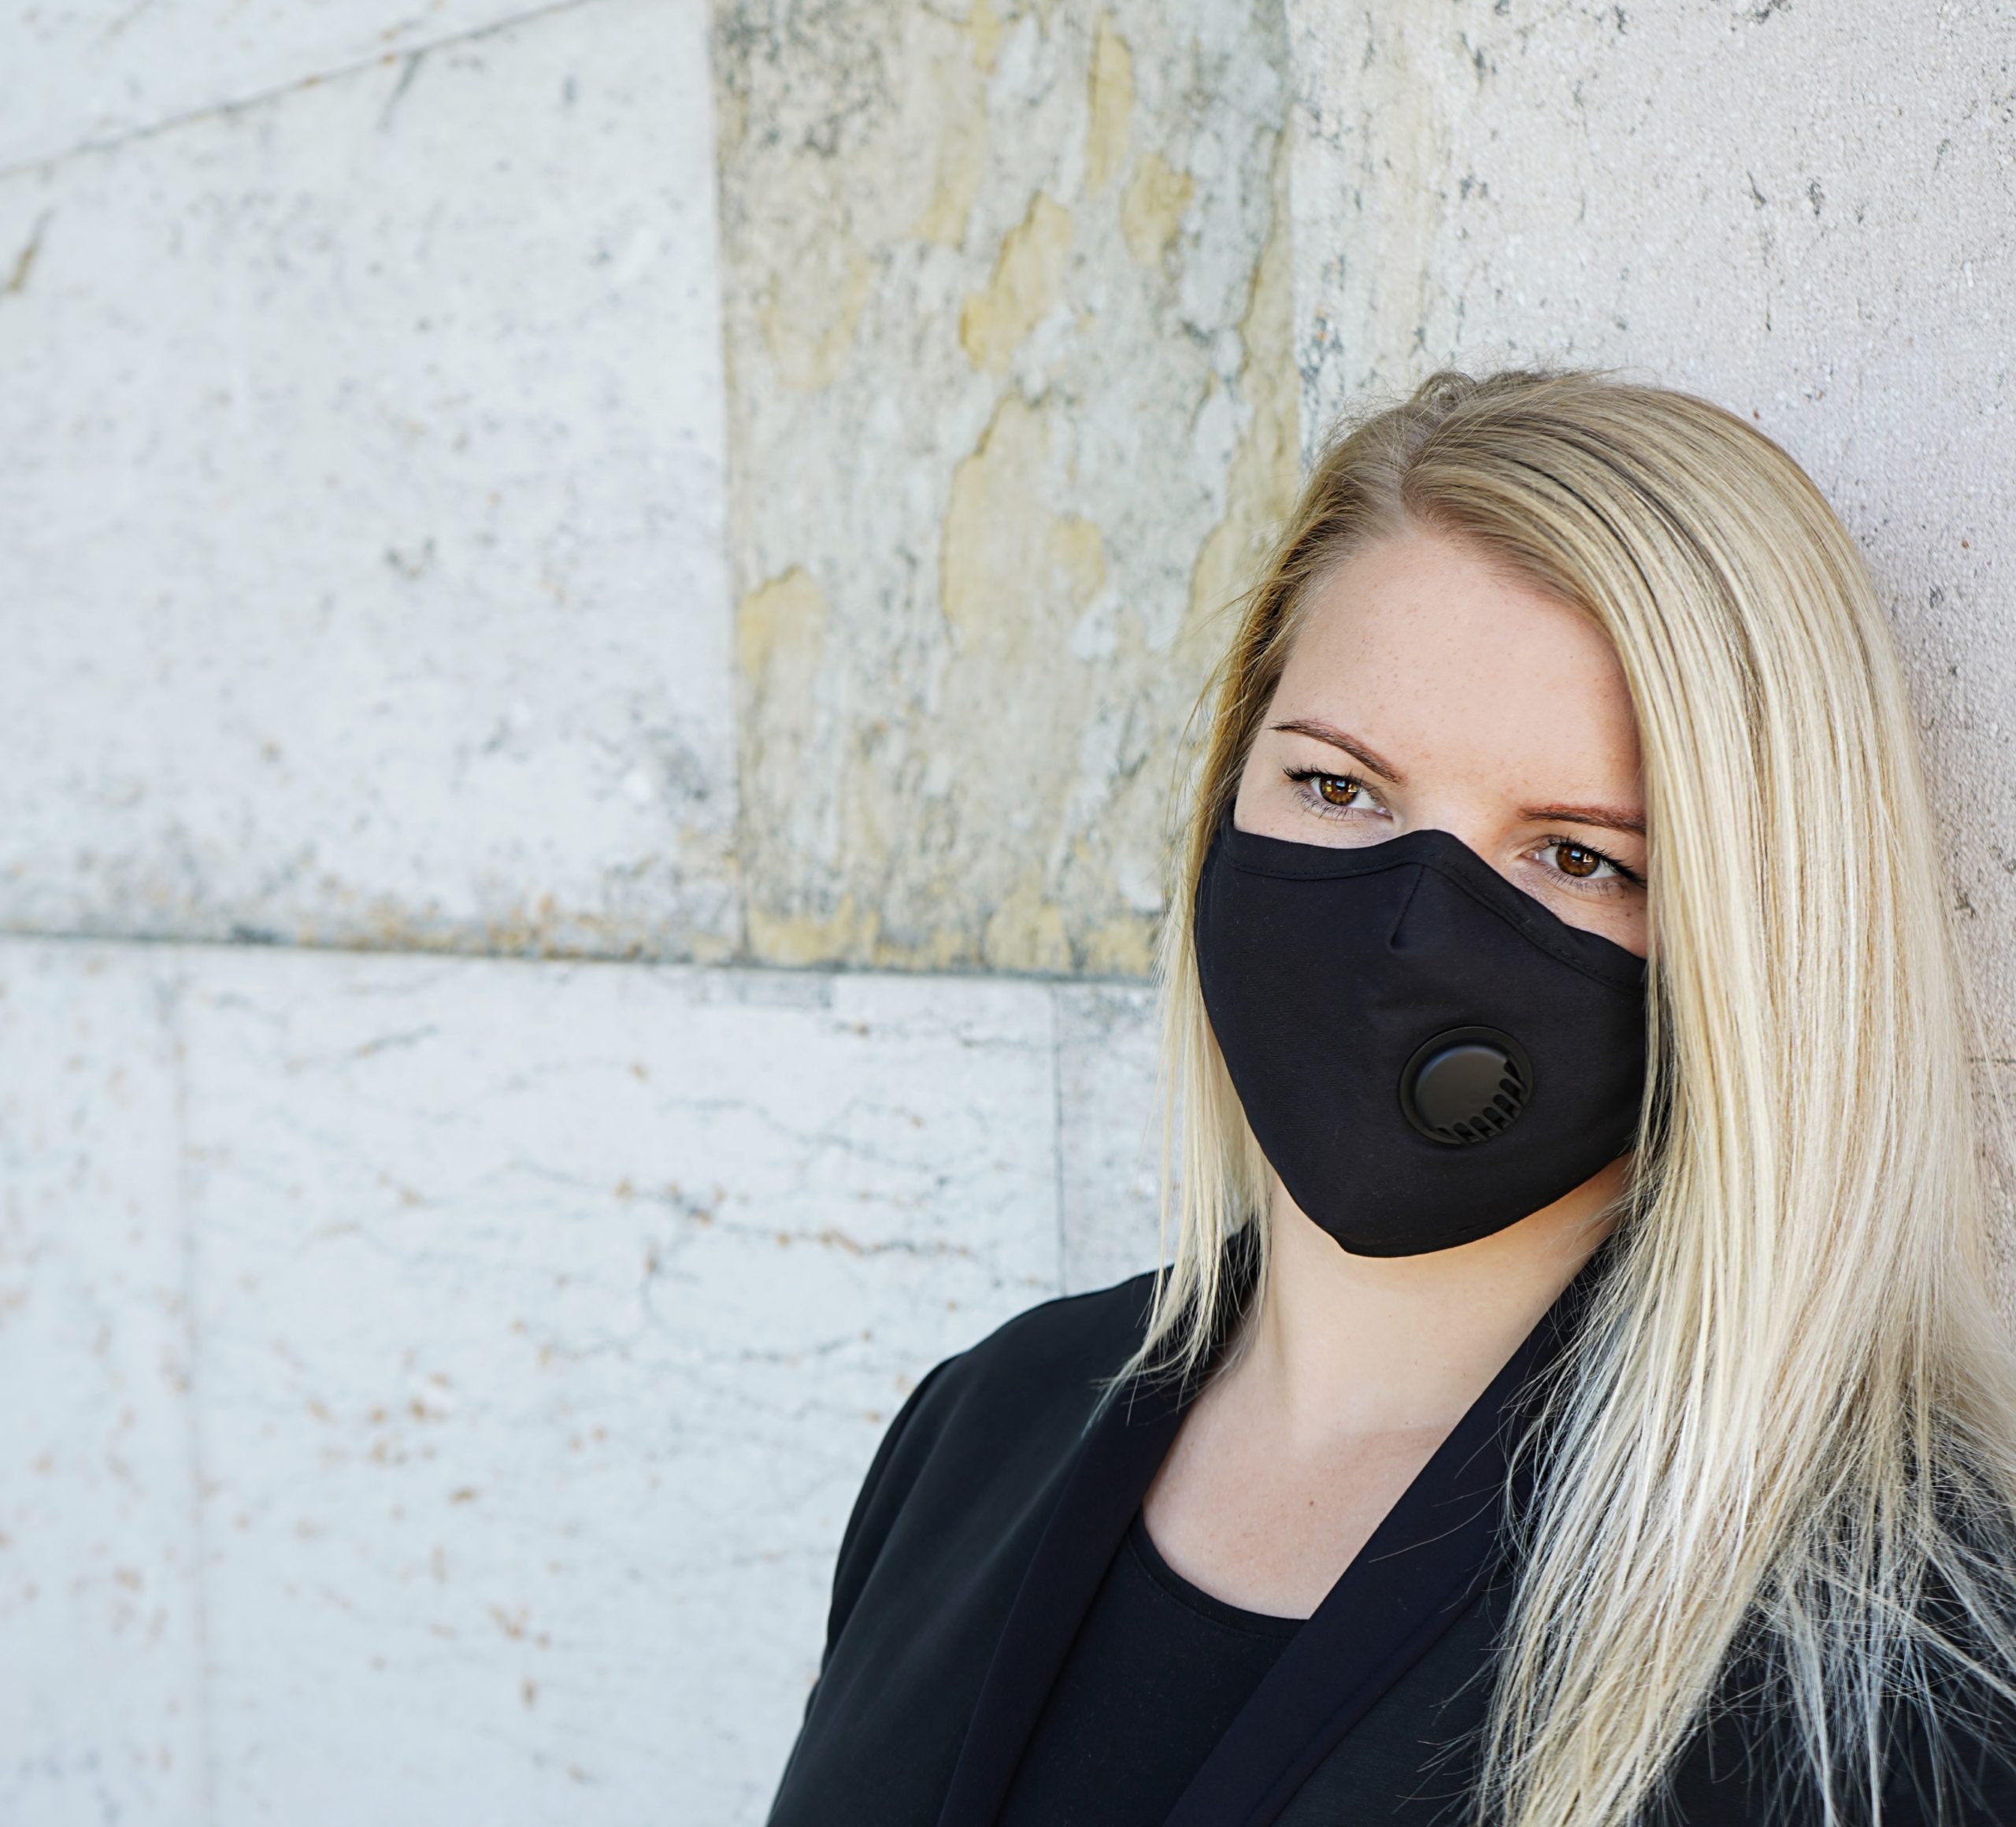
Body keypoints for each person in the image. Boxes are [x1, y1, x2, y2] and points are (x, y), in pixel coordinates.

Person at [762, 369, 2016, 1826]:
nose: (1413, 930)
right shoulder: (988, 1425)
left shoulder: (1886, 1656)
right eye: (1339, 789)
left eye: (1578, 857)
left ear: (1755, 944)